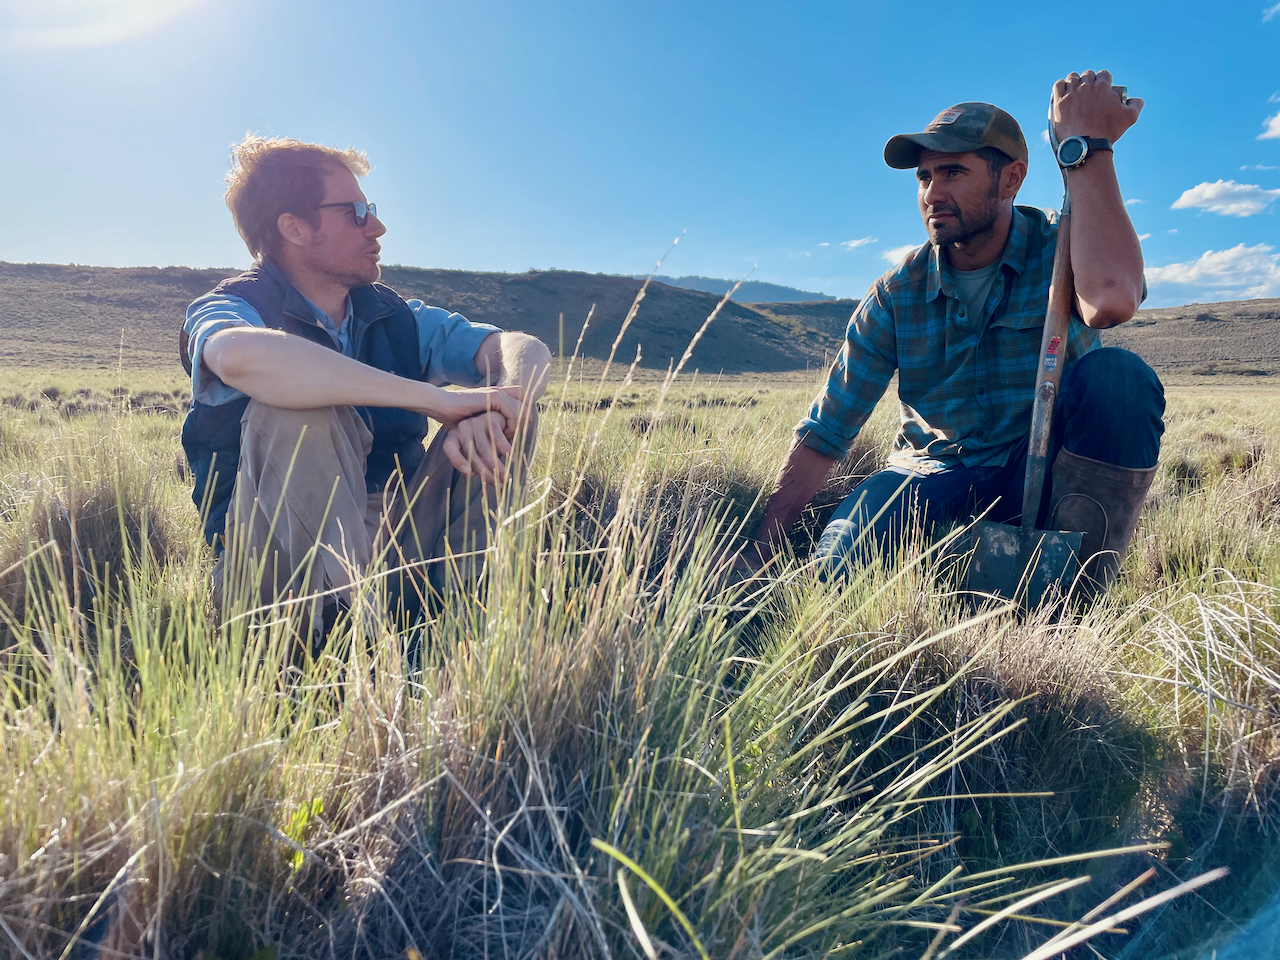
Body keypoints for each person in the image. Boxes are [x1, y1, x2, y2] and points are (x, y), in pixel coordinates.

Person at [739, 70, 1165, 596]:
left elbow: (1112, 300)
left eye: (953, 172)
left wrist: (1087, 148)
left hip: (1041, 466)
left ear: (1011, 179)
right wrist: (760, 549)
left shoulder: (1063, 249)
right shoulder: (897, 293)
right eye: (924, 177)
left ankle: (1081, 591)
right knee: (834, 574)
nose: (933, 193)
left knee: (1119, 379)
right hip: (932, 472)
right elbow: (827, 430)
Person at [180, 135, 551, 624]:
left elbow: (522, 347)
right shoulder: (232, 308)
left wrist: (500, 401)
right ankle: (339, 639)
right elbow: (238, 354)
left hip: (397, 543)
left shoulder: (394, 316)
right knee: (297, 414)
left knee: (503, 416)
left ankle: (467, 625)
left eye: (370, 210)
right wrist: (434, 400)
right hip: (278, 573)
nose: (377, 226)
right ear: (294, 227)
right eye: (356, 212)